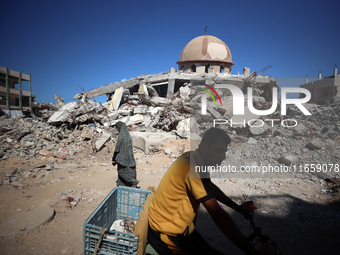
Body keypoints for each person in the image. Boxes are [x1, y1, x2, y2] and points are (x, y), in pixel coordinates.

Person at [147, 127, 261, 255]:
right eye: (218, 151)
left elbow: (209, 187)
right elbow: (219, 216)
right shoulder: (192, 169)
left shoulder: (195, 159)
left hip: (176, 228)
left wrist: (237, 208)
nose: (222, 157)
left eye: (224, 151)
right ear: (204, 147)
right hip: (167, 235)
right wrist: (251, 252)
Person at [112, 121, 139, 187]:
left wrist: (114, 158)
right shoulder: (127, 135)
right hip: (129, 157)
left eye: (117, 128)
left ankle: (134, 181)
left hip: (122, 158)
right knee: (129, 171)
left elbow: (117, 148)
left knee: (121, 172)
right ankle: (122, 183)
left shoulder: (121, 136)